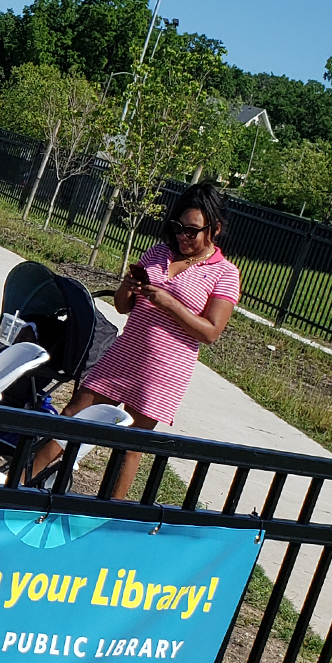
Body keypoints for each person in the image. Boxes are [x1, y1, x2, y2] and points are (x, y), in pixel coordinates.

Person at [32, 183, 241, 498]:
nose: (183, 236)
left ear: (215, 229)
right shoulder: (158, 252)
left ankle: (108, 513)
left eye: (192, 231)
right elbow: (122, 306)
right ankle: (18, 484)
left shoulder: (224, 273)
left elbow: (211, 332)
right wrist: (128, 286)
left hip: (164, 370)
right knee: (74, 417)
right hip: (125, 353)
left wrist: (169, 303)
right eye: (178, 227)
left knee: (129, 445)